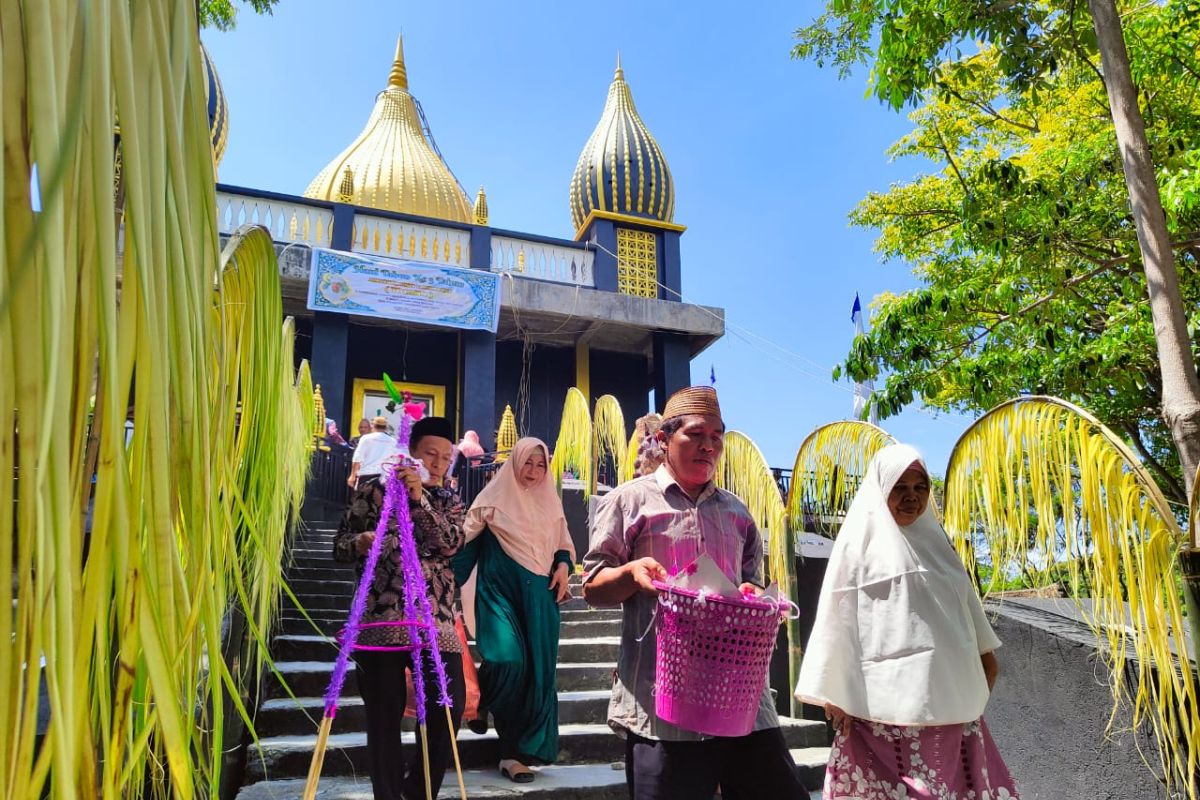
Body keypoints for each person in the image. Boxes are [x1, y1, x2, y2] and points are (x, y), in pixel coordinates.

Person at [582, 386, 805, 800]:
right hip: (660, 703)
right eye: (696, 435)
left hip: (740, 699)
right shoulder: (629, 502)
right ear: (664, 440)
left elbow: (752, 581)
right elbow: (592, 586)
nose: (708, 446)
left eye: (716, 437)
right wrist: (631, 573)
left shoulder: (737, 513)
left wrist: (751, 593)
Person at [795, 443, 1019, 800]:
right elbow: (837, 622)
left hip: (952, 713)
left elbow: (968, 619)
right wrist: (833, 693)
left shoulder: (940, 549)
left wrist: (984, 668)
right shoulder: (857, 548)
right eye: (900, 487)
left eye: (920, 488)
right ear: (881, 488)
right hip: (880, 720)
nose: (912, 497)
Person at [332, 416, 466, 800]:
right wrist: (359, 542)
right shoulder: (373, 491)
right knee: (384, 720)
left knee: (446, 714)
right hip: (380, 618)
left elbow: (451, 543)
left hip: (435, 620)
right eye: (430, 454)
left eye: (445, 456)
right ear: (411, 452)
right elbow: (338, 545)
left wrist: (418, 499)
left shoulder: (448, 499)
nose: (438, 463)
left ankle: (418, 792)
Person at [453, 438, 574, 783]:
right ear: (515, 462)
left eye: (541, 465)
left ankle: (513, 755)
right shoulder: (491, 500)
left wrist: (564, 565)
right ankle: (486, 697)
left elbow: (562, 546)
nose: (534, 472)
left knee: (536, 675)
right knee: (508, 660)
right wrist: (439, 593)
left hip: (541, 599)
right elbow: (464, 549)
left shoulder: (550, 502)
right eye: (528, 463)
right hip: (499, 594)